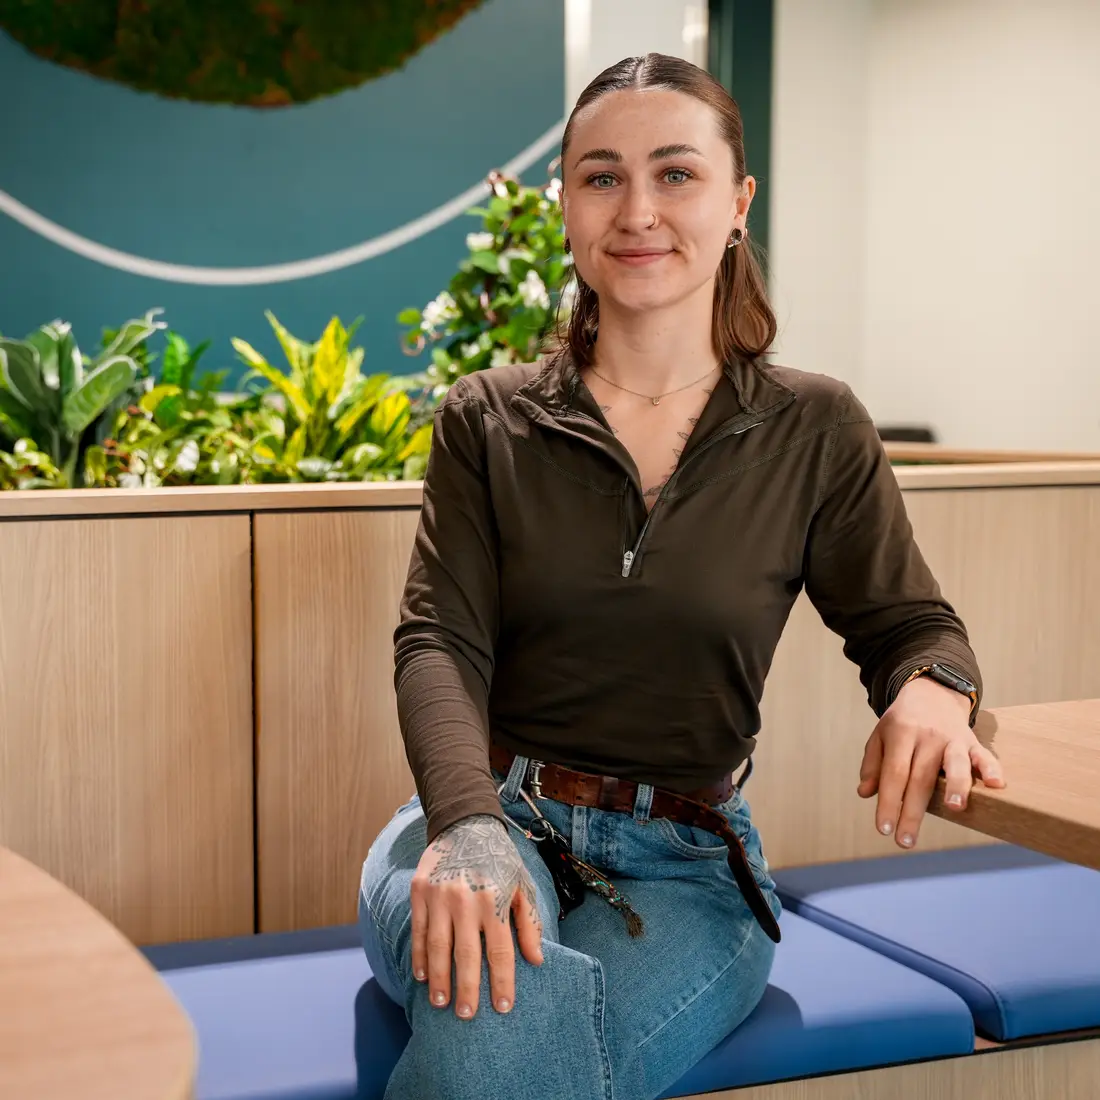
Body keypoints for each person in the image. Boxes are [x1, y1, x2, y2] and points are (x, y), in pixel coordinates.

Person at [358, 52, 1005, 1100]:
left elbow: (909, 624)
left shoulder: (814, 425)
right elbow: (439, 637)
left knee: (497, 1045)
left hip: (688, 869)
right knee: (501, 1019)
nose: (636, 210)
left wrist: (935, 684)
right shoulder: (488, 415)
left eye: (674, 173)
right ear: (564, 205)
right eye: (601, 176)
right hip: (482, 815)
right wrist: (465, 825)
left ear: (737, 200)